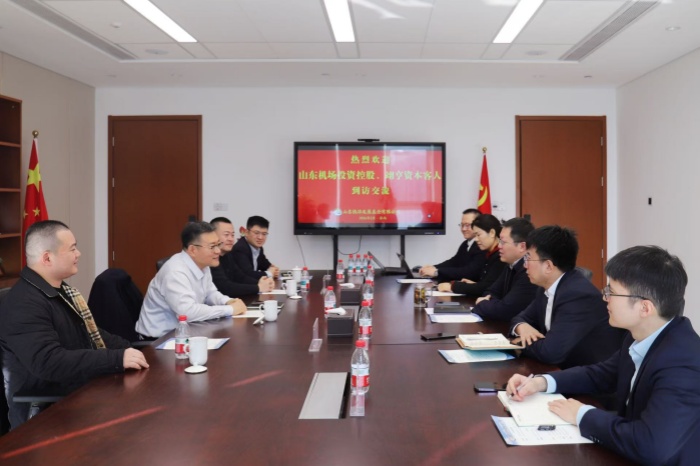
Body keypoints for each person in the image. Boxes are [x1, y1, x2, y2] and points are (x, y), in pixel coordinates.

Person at [506, 246, 700, 465]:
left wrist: (582, 414)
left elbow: (650, 445)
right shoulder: (641, 335)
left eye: (611, 292)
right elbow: (600, 374)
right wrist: (541, 382)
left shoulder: (683, 363)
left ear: (645, 308)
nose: (604, 297)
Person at [0, 220, 149, 429]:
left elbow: (88, 331)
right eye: (72, 249)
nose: (78, 254)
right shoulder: (23, 304)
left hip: (78, 391)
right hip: (48, 415)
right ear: (47, 258)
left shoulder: (59, 291)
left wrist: (134, 351)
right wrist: (116, 359)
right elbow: (49, 362)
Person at [509, 226, 624, 369]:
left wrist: (519, 343)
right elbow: (520, 318)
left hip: (589, 376)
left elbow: (550, 352)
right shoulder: (545, 288)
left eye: (528, 258)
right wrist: (522, 327)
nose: (525, 265)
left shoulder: (578, 296)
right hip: (562, 369)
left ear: (548, 266)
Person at [136, 222, 246, 338]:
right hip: (160, 340)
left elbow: (210, 293)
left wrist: (228, 301)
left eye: (218, 244)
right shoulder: (175, 272)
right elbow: (187, 313)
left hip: (186, 332)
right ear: (193, 250)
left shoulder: (203, 264)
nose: (218, 251)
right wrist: (229, 310)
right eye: (212, 246)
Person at [472, 217, 538, 321]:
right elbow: (490, 292)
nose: (499, 246)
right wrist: (495, 304)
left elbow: (505, 311)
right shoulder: (511, 264)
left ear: (522, 246)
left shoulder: (529, 270)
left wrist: (483, 303)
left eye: (503, 242)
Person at [437, 214, 506, 297]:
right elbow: (486, 284)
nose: (476, 239)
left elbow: (486, 288)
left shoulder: (501, 256)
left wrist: (452, 286)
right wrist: (474, 285)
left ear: (492, 233)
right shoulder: (490, 254)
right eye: (475, 235)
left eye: (478, 235)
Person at [210, 217, 274, 296]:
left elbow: (240, 277)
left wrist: (262, 283)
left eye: (232, 235)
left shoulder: (228, 254)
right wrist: (258, 287)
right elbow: (226, 287)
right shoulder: (211, 258)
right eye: (226, 235)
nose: (231, 239)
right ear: (213, 236)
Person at [419, 208, 485, 281]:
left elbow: (469, 272)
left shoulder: (481, 245)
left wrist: (437, 272)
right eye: (462, 225)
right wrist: (433, 267)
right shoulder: (465, 244)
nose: (463, 229)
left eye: (467, 225)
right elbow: (454, 262)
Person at [231, 216, 280, 280]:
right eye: (256, 233)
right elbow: (248, 274)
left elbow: (266, 265)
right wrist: (270, 273)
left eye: (264, 234)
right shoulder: (240, 248)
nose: (260, 237)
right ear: (246, 233)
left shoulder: (259, 248)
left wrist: (274, 270)